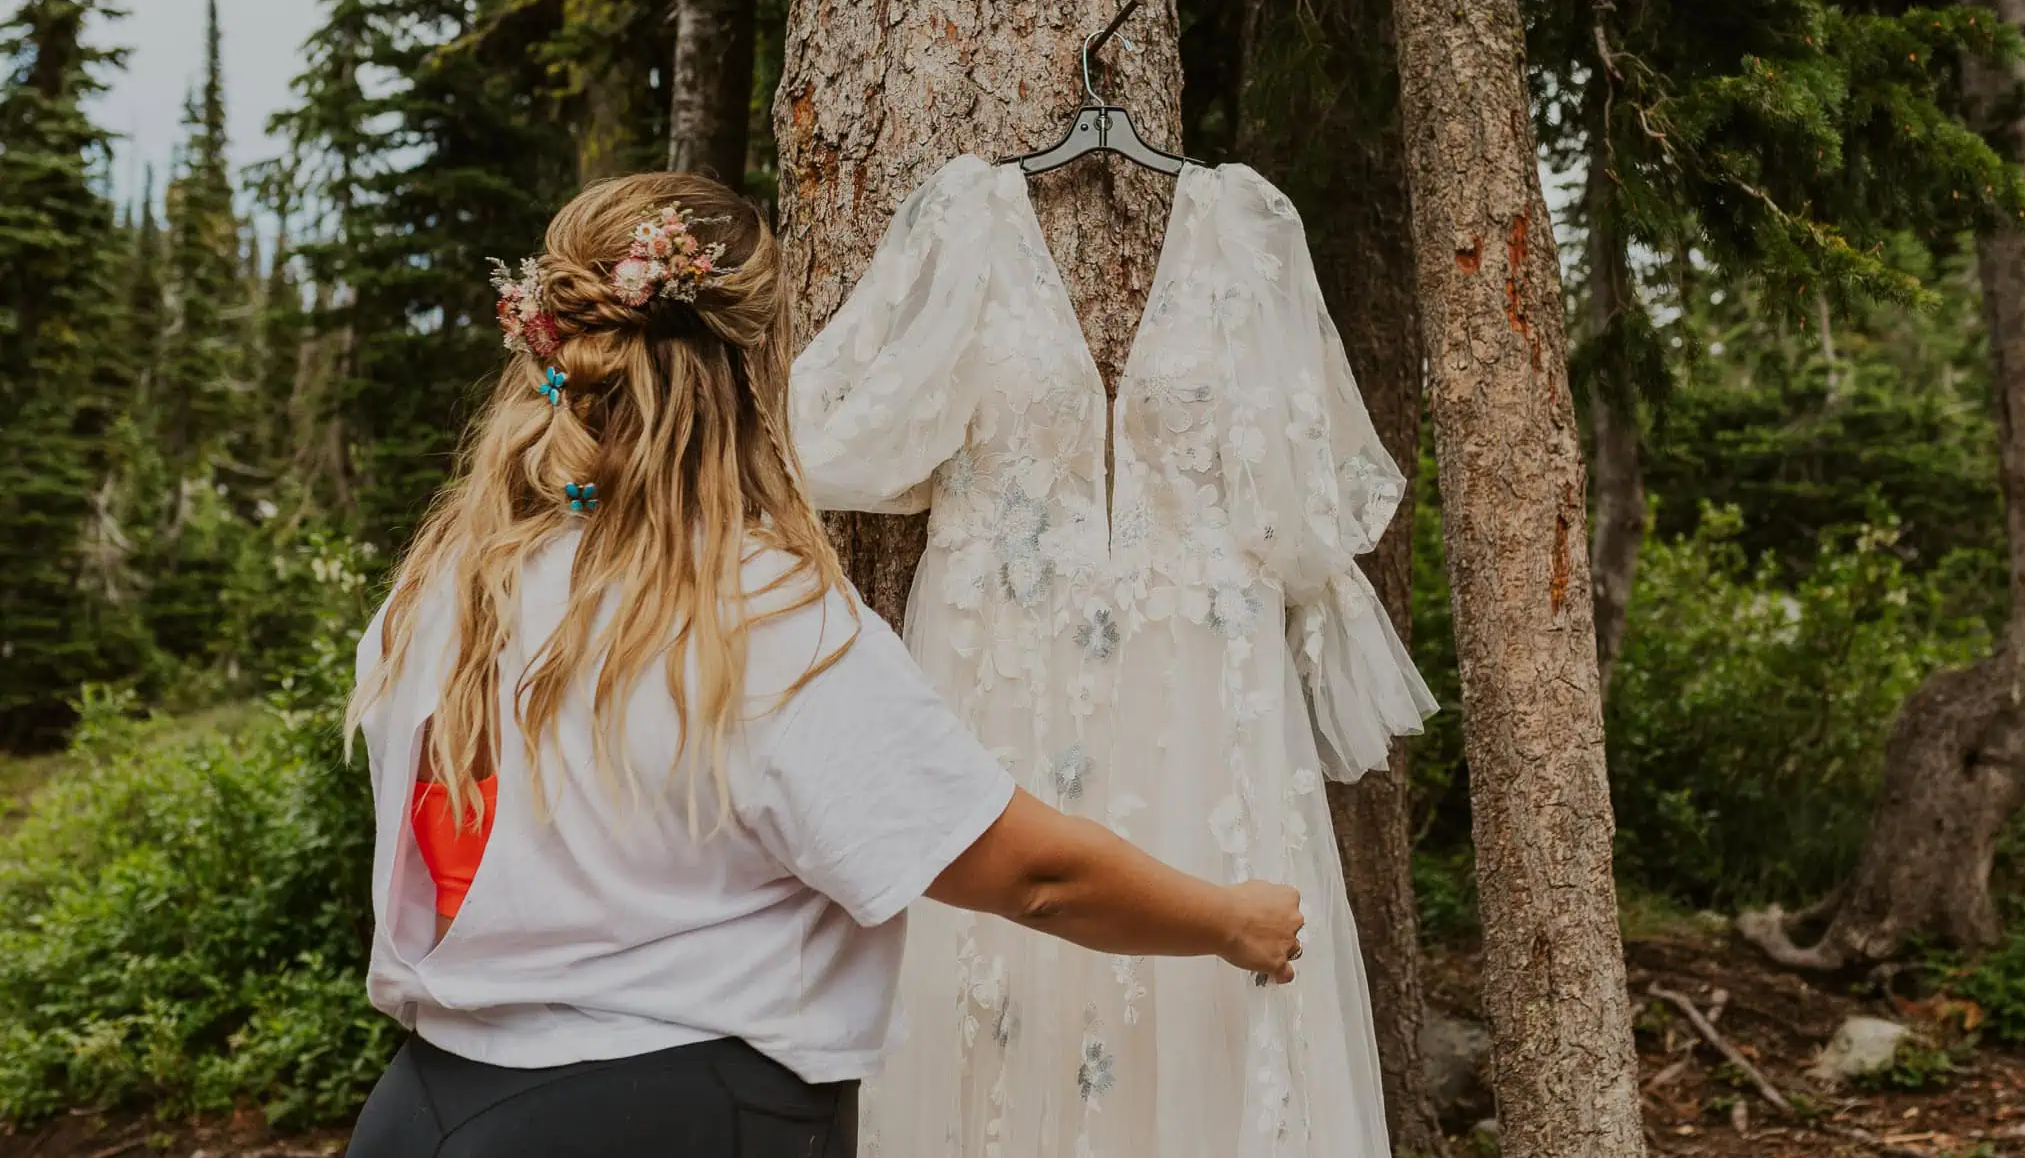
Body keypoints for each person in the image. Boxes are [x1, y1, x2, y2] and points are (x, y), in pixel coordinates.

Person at [343, 172, 1306, 1158]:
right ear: (757, 362)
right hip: (659, 1117)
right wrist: (1230, 918)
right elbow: (1032, 875)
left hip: (423, 1112)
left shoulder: (439, 593)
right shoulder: (751, 614)